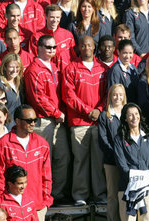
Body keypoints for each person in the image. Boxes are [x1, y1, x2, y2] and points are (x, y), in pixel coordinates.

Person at [23, 35, 70, 205]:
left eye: (54, 47)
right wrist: (57, 113)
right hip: (43, 121)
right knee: (43, 161)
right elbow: (38, 98)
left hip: (58, 120)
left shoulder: (55, 67)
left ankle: (55, 194)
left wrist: (59, 114)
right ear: (39, 48)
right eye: (48, 47)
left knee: (62, 158)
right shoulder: (33, 70)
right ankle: (42, 196)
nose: (52, 50)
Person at [62, 36, 106, 206]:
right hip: (79, 122)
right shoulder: (71, 68)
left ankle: (100, 194)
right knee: (80, 160)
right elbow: (69, 95)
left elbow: (107, 94)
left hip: (97, 122)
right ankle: (80, 195)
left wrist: (99, 110)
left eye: (89, 45)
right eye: (83, 45)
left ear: (94, 47)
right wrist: (88, 111)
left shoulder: (102, 68)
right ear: (78, 47)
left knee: (98, 161)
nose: (86, 48)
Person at [0, 105, 52, 221]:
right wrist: (3, 203)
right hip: (10, 210)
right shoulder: (3, 144)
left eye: (35, 120)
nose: (33, 123)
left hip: (36, 207)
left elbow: (47, 176)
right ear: (17, 121)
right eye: (29, 120)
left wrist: (45, 201)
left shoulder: (42, 144)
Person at [113, 103, 149, 221]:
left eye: (136, 114)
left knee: (146, 218)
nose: (134, 117)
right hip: (127, 187)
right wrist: (135, 178)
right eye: (130, 115)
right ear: (125, 118)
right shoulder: (119, 139)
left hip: (147, 187)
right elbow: (121, 164)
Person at [98, 84, 127, 221]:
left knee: (126, 194)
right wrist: (116, 154)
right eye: (115, 94)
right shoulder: (105, 115)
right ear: (110, 96)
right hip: (111, 161)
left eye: (120, 94)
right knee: (112, 195)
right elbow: (103, 140)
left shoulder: (129, 114)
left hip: (128, 162)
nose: (117, 97)